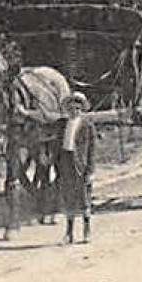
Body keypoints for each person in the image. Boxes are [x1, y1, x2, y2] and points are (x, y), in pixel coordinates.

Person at [57, 91, 96, 244]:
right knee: (69, 198)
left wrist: (91, 170)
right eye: (71, 108)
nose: (74, 111)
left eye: (77, 109)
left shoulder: (87, 126)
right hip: (66, 163)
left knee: (84, 198)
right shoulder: (62, 125)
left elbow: (92, 150)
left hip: (81, 164)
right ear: (67, 110)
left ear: (81, 110)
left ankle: (87, 231)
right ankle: (69, 233)